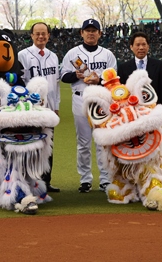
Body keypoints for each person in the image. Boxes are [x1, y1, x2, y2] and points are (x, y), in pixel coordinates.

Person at [60, 18, 117, 193]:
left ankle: (105, 179)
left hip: (102, 101)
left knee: (102, 142)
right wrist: (76, 75)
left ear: (99, 33)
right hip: (80, 99)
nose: (91, 33)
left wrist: (99, 80)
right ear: (82, 33)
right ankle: (85, 179)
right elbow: (63, 76)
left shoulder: (107, 54)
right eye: (87, 30)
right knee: (83, 143)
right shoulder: (71, 54)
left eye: (94, 30)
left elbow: (114, 79)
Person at [18, 22, 60, 193]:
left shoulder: (53, 56)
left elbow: (56, 84)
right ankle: (29, 181)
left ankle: (46, 181)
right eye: (37, 33)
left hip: (49, 108)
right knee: (31, 144)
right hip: (30, 108)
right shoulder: (23, 55)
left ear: (49, 35)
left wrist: (56, 106)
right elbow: (20, 82)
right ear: (32, 35)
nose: (41, 36)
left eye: (44, 33)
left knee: (48, 144)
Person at [118, 31, 162, 108]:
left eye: (144, 44)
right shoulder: (123, 68)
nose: (141, 48)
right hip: (133, 111)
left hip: (154, 110)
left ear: (148, 46)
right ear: (131, 47)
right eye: (137, 45)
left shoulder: (159, 65)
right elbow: (121, 94)